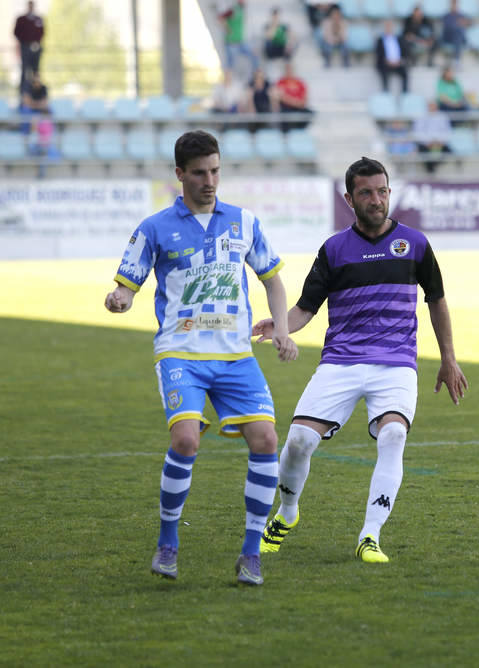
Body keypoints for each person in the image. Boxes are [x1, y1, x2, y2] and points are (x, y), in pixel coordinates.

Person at [104, 129, 298, 586]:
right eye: (199, 173)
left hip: (236, 355)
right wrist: (119, 298)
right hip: (181, 352)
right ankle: (168, 544)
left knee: (267, 440)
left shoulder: (244, 222)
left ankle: (251, 554)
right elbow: (126, 285)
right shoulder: (154, 228)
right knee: (187, 440)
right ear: (179, 175)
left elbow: (272, 279)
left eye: (215, 171)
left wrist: (283, 330)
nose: (209, 181)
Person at [252, 157, 468, 563]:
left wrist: (448, 359)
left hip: (396, 363)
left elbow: (436, 300)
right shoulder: (334, 249)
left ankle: (370, 535)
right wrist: (281, 326)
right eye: (366, 193)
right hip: (341, 362)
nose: (377, 199)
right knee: (298, 441)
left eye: (382, 191)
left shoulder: (415, 244)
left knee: (393, 436)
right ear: (349, 198)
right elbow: (306, 308)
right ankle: (287, 513)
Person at [218, 0, 259, 75]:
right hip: (231, 42)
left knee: (254, 55)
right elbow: (221, 17)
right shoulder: (233, 10)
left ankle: (255, 76)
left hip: (241, 42)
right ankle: (228, 81)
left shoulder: (243, 11)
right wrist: (227, 28)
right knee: (230, 63)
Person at [14, 1, 45, 94]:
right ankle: (22, 92)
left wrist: (36, 43)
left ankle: (36, 92)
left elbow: (42, 32)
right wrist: (24, 42)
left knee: (36, 71)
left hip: (36, 48)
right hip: (25, 47)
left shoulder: (38, 19)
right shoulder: (21, 19)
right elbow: (16, 32)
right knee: (24, 70)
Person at [413, 100, 452, 173]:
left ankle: (435, 166)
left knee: (449, 151)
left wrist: (439, 141)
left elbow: (447, 132)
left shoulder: (442, 117)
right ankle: (430, 170)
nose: (432, 107)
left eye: (433, 105)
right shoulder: (421, 116)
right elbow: (417, 133)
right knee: (423, 152)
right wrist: (428, 142)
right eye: (430, 105)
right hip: (426, 144)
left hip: (440, 143)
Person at [275, 61, 313, 131]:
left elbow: (304, 98)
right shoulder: (280, 82)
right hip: (286, 108)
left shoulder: (300, 83)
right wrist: (295, 102)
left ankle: (300, 131)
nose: (289, 72)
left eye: (290, 70)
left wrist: (295, 102)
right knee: (284, 115)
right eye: (287, 70)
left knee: (309, 113)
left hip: (298, 107)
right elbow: (280, 97)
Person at [375, 20, 410, 94]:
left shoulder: (399, 39)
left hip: (398, 63)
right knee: (384, 73)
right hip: (386, 64)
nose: (389, 29)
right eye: (387, 27)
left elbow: (404, 51)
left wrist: (400, 61)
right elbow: (379, 54)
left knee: (405, 73)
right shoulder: (380, 40)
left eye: (390, 27)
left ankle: (405, 94)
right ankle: (386, 93)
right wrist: (387, 61)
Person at [440, 0, 470, 66]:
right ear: (450, 5)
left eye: (455, 5)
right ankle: (457, 60)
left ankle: (456, 60)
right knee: (457, 31)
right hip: (448, 37)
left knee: (458, 34)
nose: (454, 6)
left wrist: (464, 23)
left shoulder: (462, 15)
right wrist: (458, 24)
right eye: (453, 4)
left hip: (458, 38)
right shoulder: (446, 16)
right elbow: (447, 26)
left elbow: (469, 23)